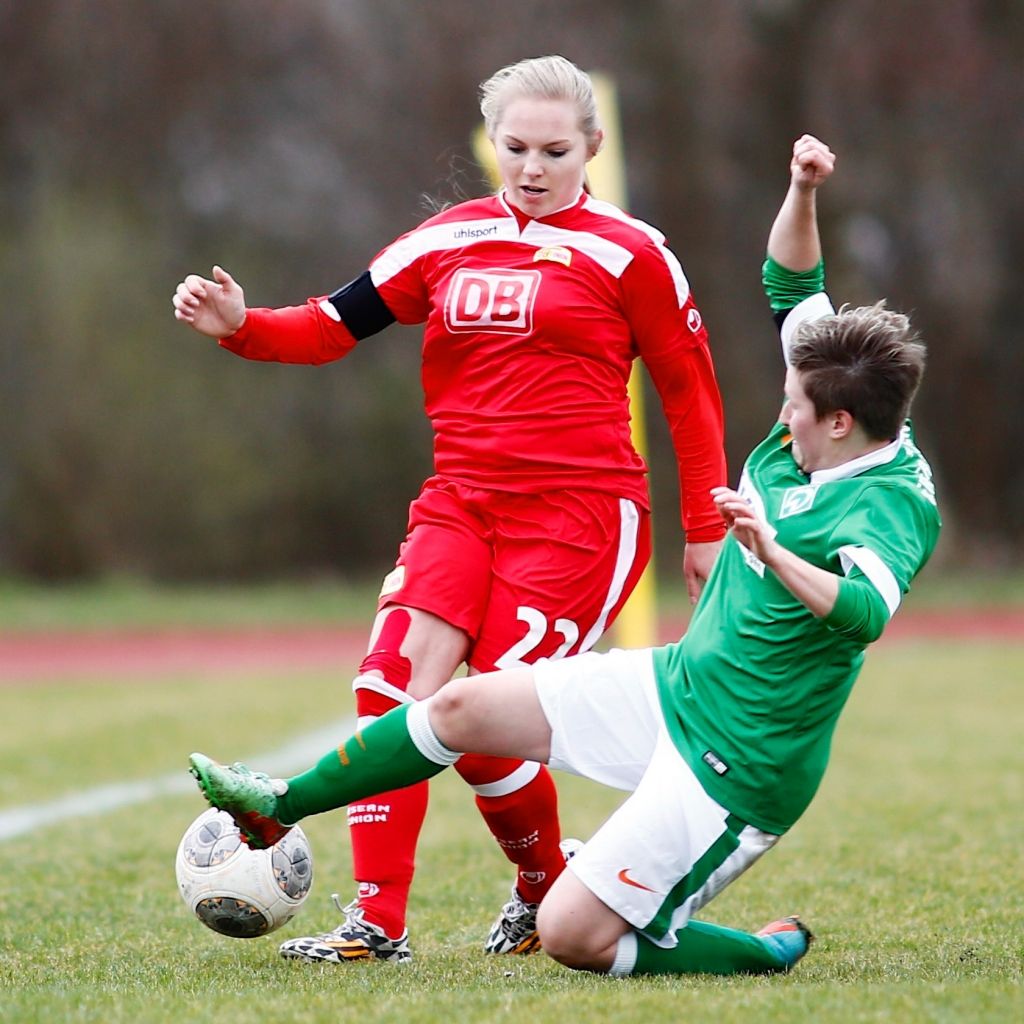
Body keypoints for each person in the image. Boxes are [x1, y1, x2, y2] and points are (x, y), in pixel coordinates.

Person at [185, 133, 941, 976]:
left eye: (794, 404)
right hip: (675, 686)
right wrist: (803, 189)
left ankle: (760, 955)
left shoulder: (895, 502)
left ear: (841, 423)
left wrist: (766, 548)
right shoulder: (830, 394)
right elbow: (791, 281)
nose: (782, 408)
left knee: (577, 938)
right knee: (463, 710)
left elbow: (867, 614)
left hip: (742, 763)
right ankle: (276, 806)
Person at [172, 55, 727, 965]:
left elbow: (688, 390)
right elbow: (327, 325)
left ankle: (545, 888)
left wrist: (705, 527)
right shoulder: (445, 239)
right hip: (459, 505)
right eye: (516, 147)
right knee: (390, 686)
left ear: (592, 146)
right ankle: (376, 924)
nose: (534, 166)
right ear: (494, 146)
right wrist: (240, 324)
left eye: (555, 149)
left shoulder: (632, 252)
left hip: (581, 516)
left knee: (483, 714)